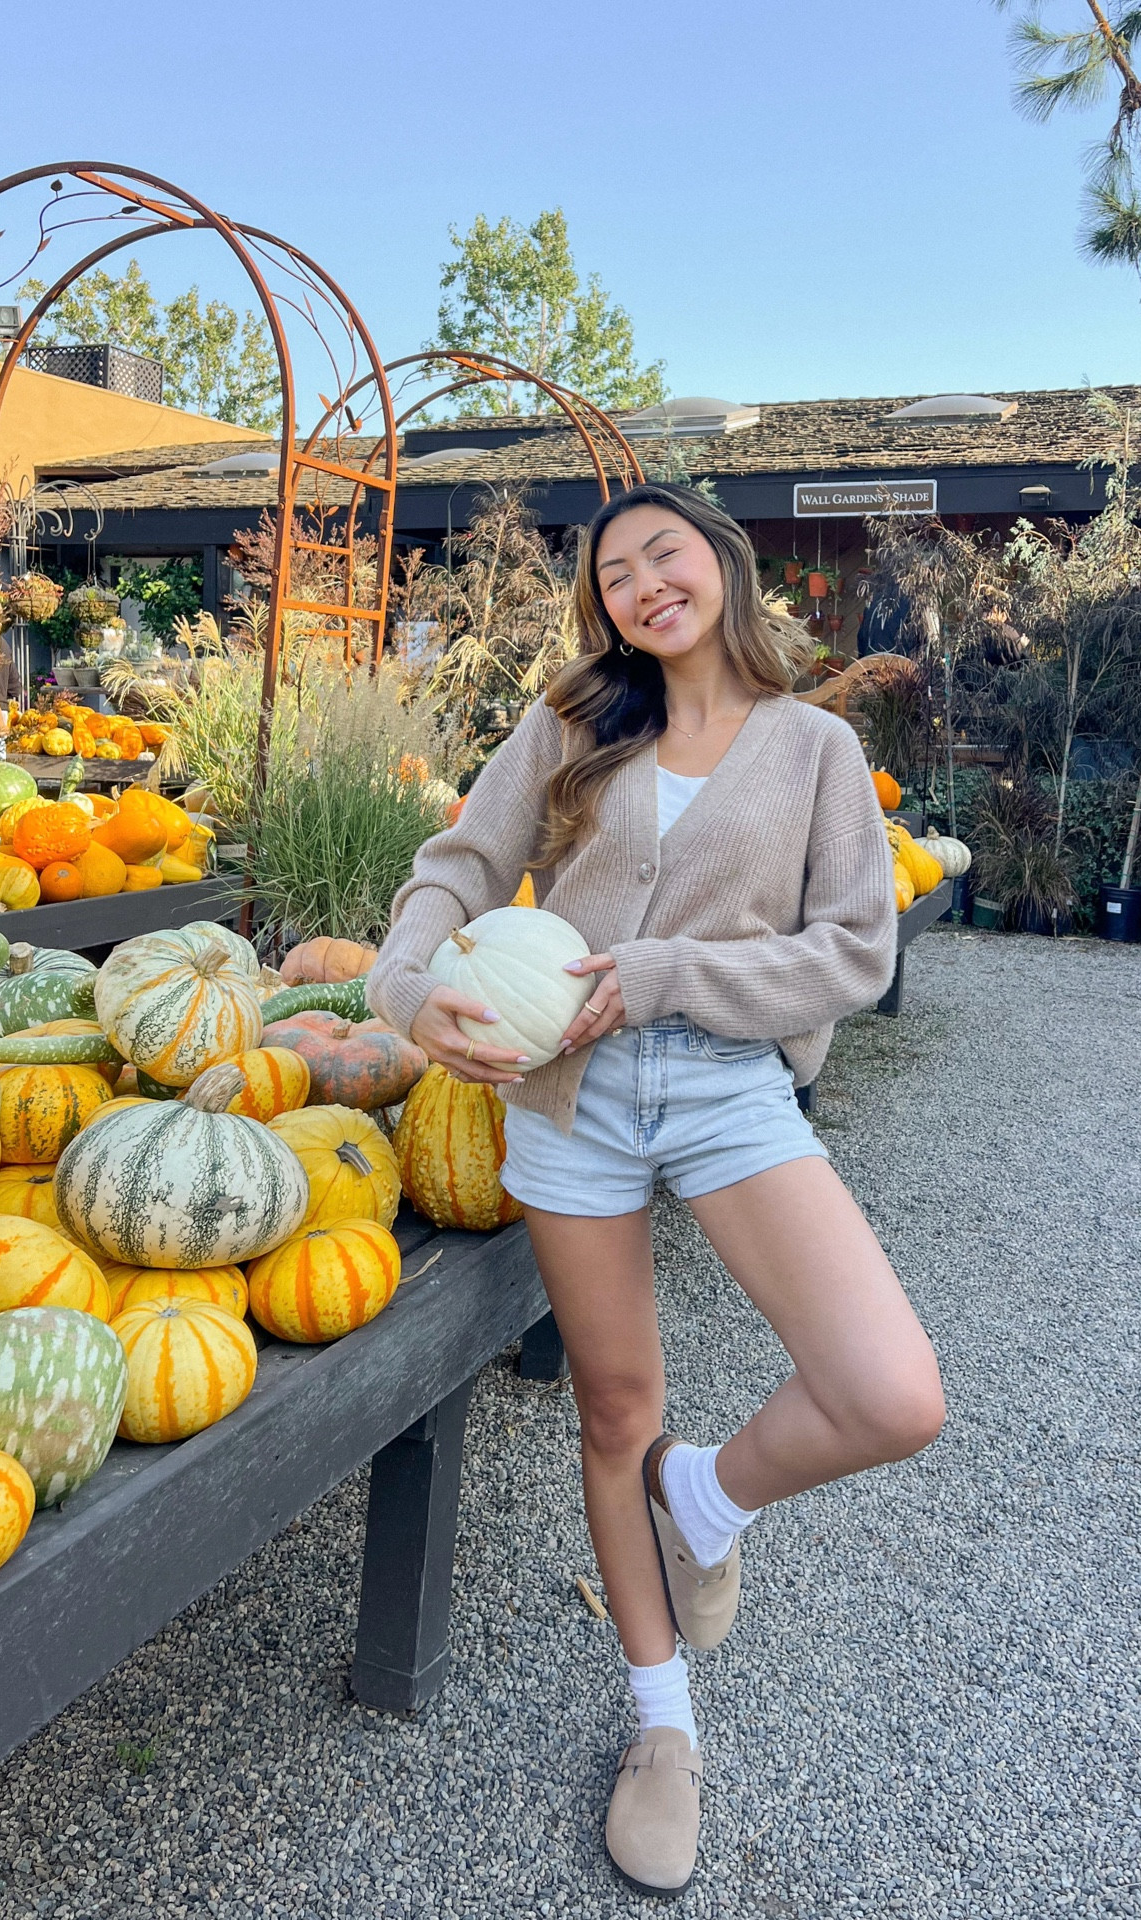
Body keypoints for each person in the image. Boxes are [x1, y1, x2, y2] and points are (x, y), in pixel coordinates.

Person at [370, 484, 946, 1897]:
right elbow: (456, 868)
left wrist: (665, 976)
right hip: (565, 1100)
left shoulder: (813, 745)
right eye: (614, 573)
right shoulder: (574, 721)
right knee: (615, 1410)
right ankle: (663, 1725)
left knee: (890, 1395)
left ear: (723, 565)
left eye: (663, 553)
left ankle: (703, 1497)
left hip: (726, 1082)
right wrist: (406, 986)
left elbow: (851, 951)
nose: (641, 584)